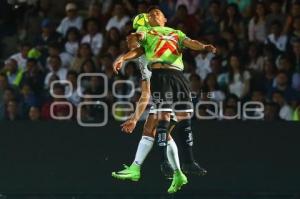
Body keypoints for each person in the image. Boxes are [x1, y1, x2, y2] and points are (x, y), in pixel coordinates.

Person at [113, 8, 216, 193]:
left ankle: (139, 167)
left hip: (173, 86)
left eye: (135, 34)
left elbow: (146, 92)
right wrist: (135, 118)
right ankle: (176, 173)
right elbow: (146, 93)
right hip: (164, 89)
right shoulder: (143, 61)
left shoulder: (152, 43)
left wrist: (136, 118)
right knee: (160, 131)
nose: (131, 39)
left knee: (153, 127)